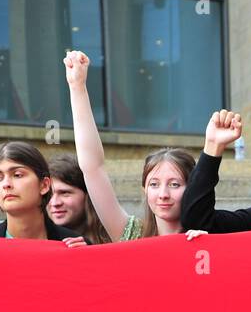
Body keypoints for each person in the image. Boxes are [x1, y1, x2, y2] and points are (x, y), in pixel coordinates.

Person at [63, 50, 202, 243]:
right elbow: (92, 168)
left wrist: (212, 244)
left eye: (174, 184)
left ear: (193, 187)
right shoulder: (133, 234)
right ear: (144, 189)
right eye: (154, 184)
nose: (163, 194)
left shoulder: (211, 232)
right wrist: (77, 87)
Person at [48, 155, 110, 245]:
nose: (54, 203)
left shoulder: (114, 236)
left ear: (88, 195)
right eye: (49, 194)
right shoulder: (33, 237)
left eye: (65, 193)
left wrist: (90, 254)